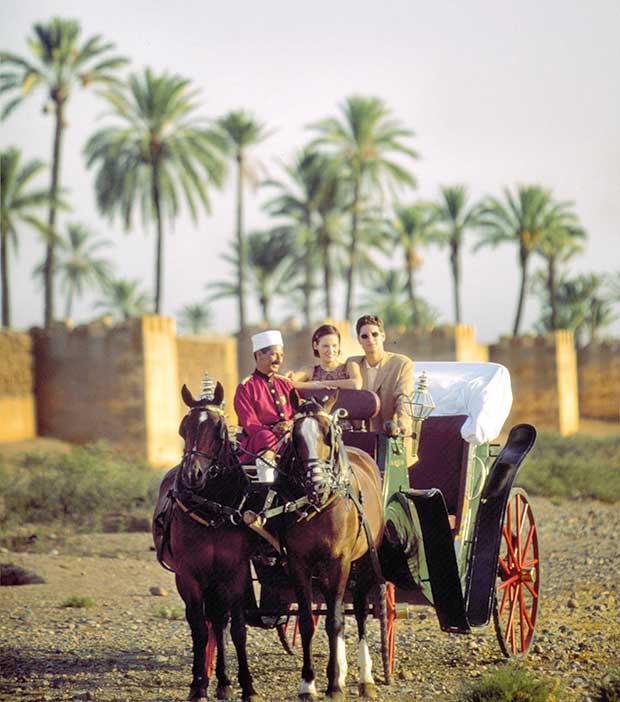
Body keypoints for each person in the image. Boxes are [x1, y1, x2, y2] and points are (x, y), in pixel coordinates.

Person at [233, 329, 297, 466]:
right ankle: (267, 482)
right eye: (273, 354)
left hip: (289, 435)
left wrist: (290, 425)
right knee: (266, 437)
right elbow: (250, 424)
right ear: (259, 355)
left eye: (281, 355)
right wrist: (273, 430)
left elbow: (298, 412)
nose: (279, 360)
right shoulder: (245, 387)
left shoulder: (286, 384)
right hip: (259, 441)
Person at [347, 314, 414, 439]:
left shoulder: (401, 364)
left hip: (392, 437)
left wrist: (403, 422)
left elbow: (403, 397)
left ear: (383, 336)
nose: (370, 339)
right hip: (361, 437)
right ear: (359, 340)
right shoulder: (353, 364)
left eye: (375, 334)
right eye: (364, 336)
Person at [287, 323, 363, 391]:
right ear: (315, 346)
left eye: (334, 346)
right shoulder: (310, 371)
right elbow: (287, 383)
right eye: (325, 346)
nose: (330, 350)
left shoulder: (349, 367)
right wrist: (313, 385)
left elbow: (356, 384)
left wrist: (321, 384)